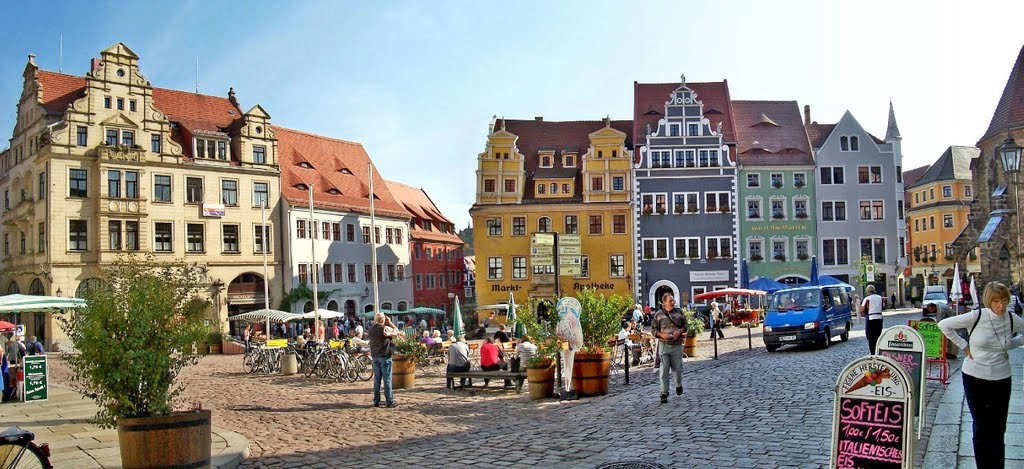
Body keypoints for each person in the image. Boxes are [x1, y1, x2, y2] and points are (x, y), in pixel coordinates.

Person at [938, 282, 1024, 469]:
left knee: (998, 427)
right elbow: (944, 324)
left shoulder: (1011, 319)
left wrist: (1011, 344)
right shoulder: (977, 316)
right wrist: (964, 345)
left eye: (1003, 301)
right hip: (975, 378)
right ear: (988, 302)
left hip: (1001, 379)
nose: (1000, 305)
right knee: (982, 425)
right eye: (996, 301)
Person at [652, 292, 686, 404]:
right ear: (664, 302)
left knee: (677, 369)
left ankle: (678, 385)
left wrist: (679, 331)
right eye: (670, 300)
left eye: (673, 300)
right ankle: (664, 393)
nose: (673, 302)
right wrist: (662, 335)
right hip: (664, 345)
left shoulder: (679, 312)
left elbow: (685, 325)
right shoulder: (658, 314)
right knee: (664, 369)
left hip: (677, 345)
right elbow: (653, 330)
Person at [369, 312, 400, 408]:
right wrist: (390, 322)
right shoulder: (385, 328)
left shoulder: (371, 329)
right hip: (384, 356)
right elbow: (397, 331)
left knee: (377, 380)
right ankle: (389, 401)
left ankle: (376, 400)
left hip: (375, 356)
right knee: (387, 380)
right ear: (383, 320)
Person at [861, 285, 884, 354]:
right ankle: (878, 351)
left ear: (867, 291)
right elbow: (882, 306)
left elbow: (862, 310)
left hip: (871, 318)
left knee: (871, 337)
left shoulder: (867, 298)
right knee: (878, 335)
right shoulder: (880, 298)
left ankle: (873, 353)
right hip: (879, 317)